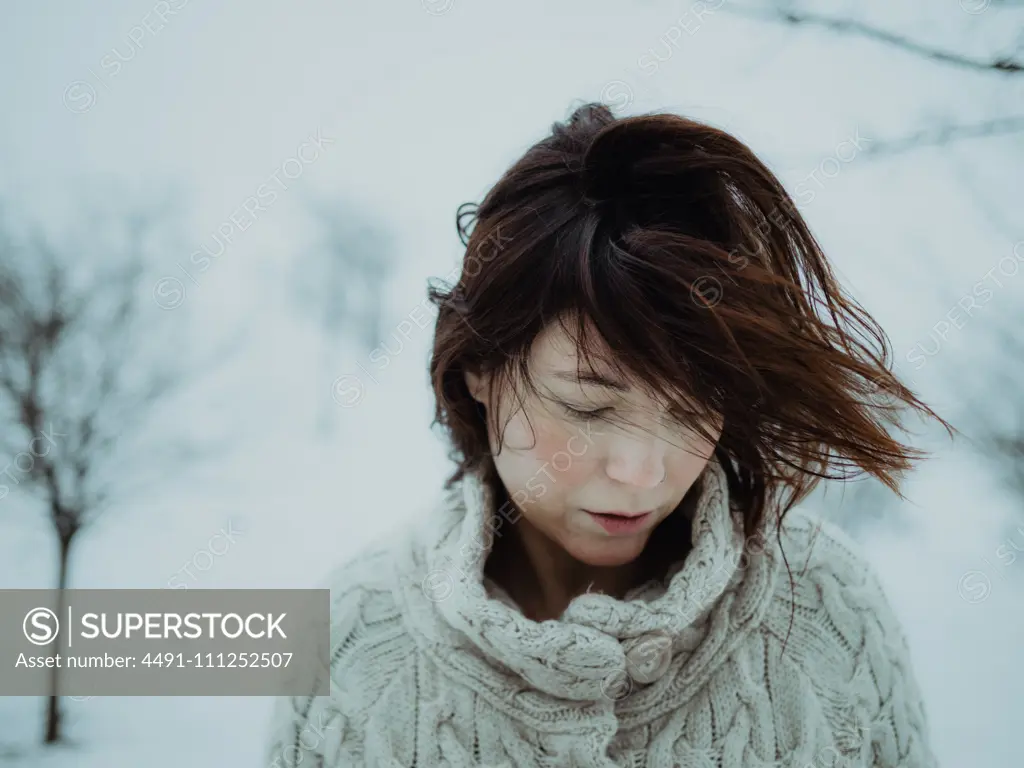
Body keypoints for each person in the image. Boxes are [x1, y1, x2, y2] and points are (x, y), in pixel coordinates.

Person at [265, 103, 954, 767]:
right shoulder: (346, 640)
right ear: (479, 367)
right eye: (588, 407)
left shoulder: (828, 608)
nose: (643, 472)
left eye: (691, 411)